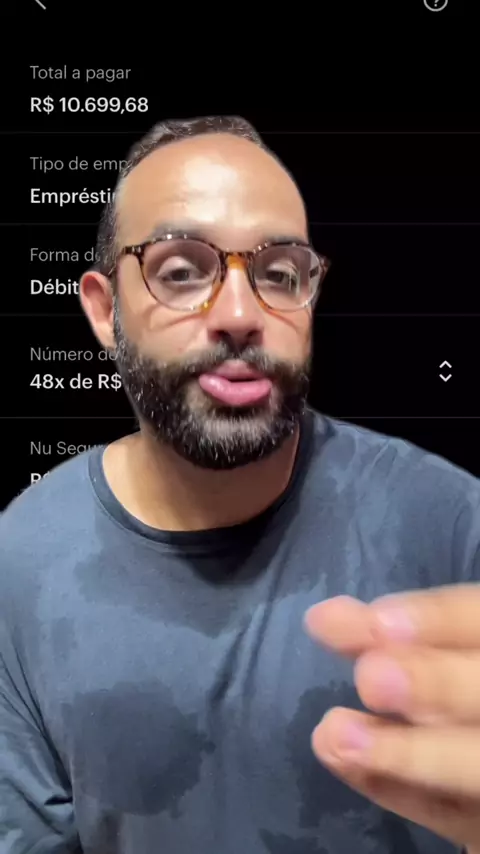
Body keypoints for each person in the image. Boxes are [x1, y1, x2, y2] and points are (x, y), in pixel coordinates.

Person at [0, 115, 479, 854]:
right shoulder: (20, 562)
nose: (239, 315)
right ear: (103, 308)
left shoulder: (452, 525)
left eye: (279, 273)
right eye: (180, 271)